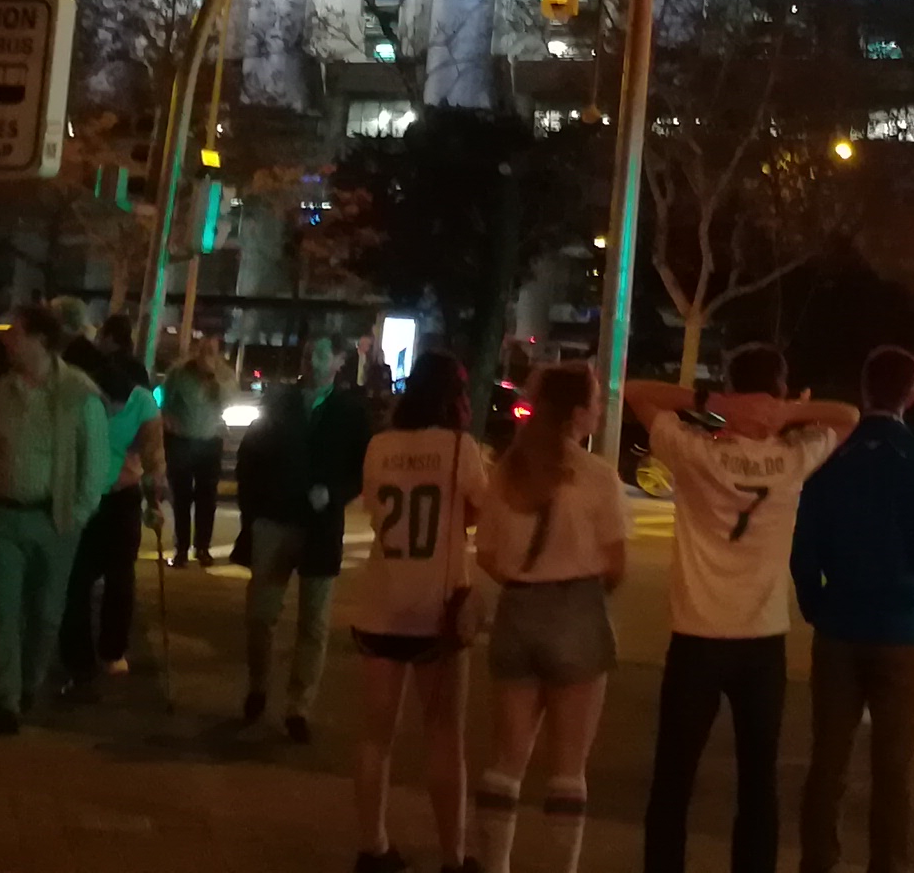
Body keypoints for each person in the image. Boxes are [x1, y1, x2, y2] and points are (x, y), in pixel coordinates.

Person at [626, 346, 859, 873]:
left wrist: (713, 403)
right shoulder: (793, 458)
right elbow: (848, 415)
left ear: (731, 388)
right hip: (761, 640)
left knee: (673, 778)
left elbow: (636, 391)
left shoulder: (694, 451)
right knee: (759, 779)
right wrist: (790, 412)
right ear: (778, 390)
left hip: (696, 636)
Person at [791, 346, 914, 873]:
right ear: (912, 394)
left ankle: (818, 861)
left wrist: (818, 607)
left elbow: (803, 552)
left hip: (840, 626)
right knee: (893, 769)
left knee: (828, 761)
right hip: (904, 630)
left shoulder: (831, 459)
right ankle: (887, 864)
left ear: (865, 390)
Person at [467, 362, 629, 873]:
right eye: (595, 402)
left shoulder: (507, 470)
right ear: (577, 413)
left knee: (507, 760)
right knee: (568, 768)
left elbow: (486, 554)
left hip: (517, 610)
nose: (599, 410)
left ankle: (495, 863)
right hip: (577, 611)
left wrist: (523, 576)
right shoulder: (597, 476)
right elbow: (616, 563)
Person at [346, 352, 490, 873]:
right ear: (454, 398)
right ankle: (453, 856)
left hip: (381, 604)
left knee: (375, 736)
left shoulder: (380, 446)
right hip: (436, 610)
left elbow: (374, 508)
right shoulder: (458, 448)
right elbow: (482, 509)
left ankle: (373, 846)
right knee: (444, 736)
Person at [0, 307, 106, 737]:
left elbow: (94, 464)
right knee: (1, 614)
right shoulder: (0, 390)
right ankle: (3, 702)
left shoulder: (78, 393)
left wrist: (76, 516)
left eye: (16, 334)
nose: (7, 341)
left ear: (41, 340)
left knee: (45, 615)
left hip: (52, 519)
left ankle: (25, 687)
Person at [237, 346, 371, 741]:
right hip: (274, 518)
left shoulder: (350, 411)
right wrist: (253, 513)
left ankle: (299, 706)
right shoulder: (279, 401)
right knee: (260, 614)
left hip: (321, 527)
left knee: (313, 622)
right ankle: (259, 685)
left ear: (338, 363)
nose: (310, 361)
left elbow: (361, 469)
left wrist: (334, 493)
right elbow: (250, 455)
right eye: (308, 353)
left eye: (321, 355)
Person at [58, 313, 163, 700]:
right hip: (99, 496)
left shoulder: (128, 403)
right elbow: (154, 458)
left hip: (114, 497)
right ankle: (96, 656)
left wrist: (154, 499)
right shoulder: (99, 399)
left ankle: (97, 655)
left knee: (101, 579)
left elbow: (154, 457)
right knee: (95, 579)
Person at [162, 335, 229, 567]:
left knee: (206, 498)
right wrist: (167, 420)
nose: (206, 355)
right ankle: (181, 549)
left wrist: (213, 378)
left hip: (210, 442)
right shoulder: (178, 374)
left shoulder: (223, 375)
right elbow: (165, 399)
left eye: (211, 351)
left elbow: (228, 400)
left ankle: (202, 547)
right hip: (182, 441)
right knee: (181, 497)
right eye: (203, 350)